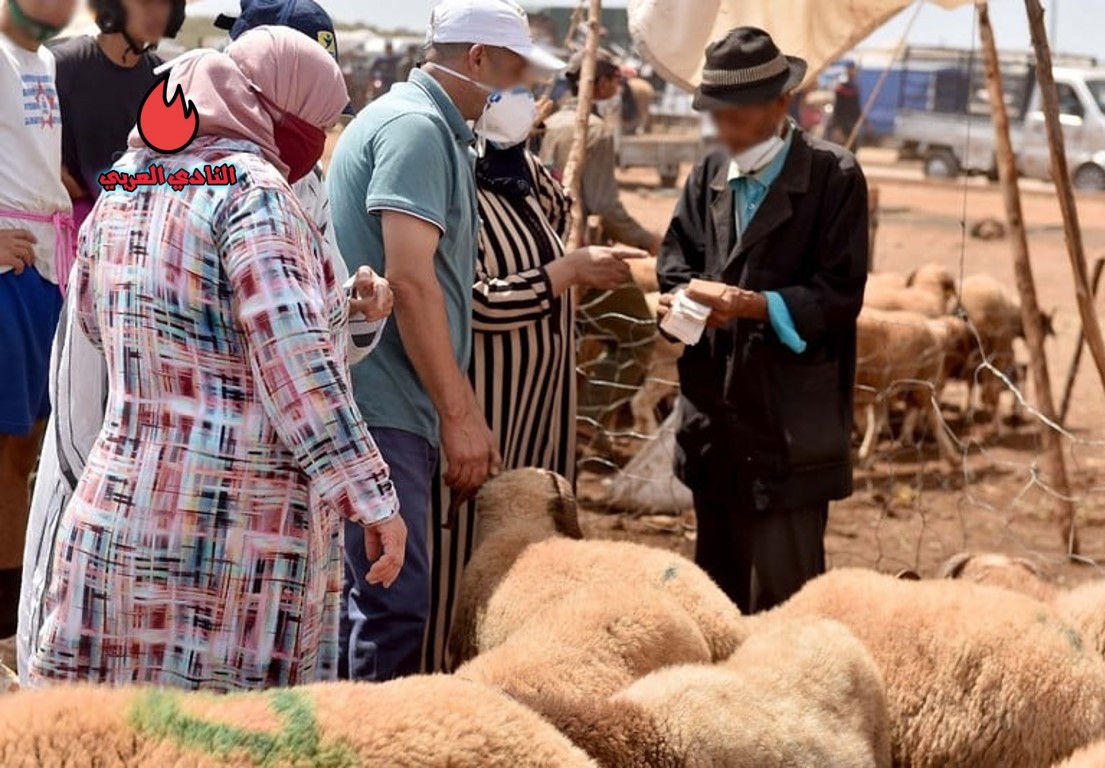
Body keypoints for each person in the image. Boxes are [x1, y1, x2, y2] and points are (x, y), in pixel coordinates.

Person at [16, 0, 392, 682]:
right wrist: (371, 497)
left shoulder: (128, 185)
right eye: (315, 120)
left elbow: (97, 327)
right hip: (233, 543)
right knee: (227, 742)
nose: (316, 140)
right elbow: (298, 369)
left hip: (121, 514)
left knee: (120, 739)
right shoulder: (255, 195)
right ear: (279, 111)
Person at [327, 0, 564, 681]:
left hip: (391, 400)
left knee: (373, 600)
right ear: (477, 59)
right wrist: (460, 415)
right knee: (391, 604)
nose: (523, 89)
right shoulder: (417, 130)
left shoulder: (431, 127)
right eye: (515, 71)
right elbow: (411, 279)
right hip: (383, 404)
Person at [656, 27, 868, 614]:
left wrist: (757, 305)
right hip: (716, 425)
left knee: (784, 606)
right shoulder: (709, 176)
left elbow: (839, 294)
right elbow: (675, 264)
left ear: (781, 104)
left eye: (737, 116)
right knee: (717, 606)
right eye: (716, 116)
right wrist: (676, 305)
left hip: (789, 432)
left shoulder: (834, 178)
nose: (725, 130)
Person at [424, 138, 645, 672]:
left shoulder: (522, 174)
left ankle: (504, 677)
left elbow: (559, 210)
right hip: (485, 406)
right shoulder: (450, 181)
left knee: (525, 550)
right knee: (459, 556)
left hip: (538, 406)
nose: (518, 96)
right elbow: (471, 301)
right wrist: (565, 274)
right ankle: (438, 678)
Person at [0, 0, 75, 641]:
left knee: (28, 449)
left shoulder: (44, 59)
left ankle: (17, 613)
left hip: (47, 266)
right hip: (9, 271)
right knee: (7, 450)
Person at [52, 0, 185, 225]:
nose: (157, 14)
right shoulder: (62, 65)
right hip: (74, 225)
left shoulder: (166, 79)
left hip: (139, 224)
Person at [539, 49, 659, 254]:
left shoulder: (547, 123)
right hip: (576, 247)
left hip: (544, 239)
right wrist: (647, 240)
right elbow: (604, 206)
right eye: (615, 80)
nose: (618, 87)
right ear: (602, 83)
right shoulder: (596, 130)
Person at [829, 60, 861, 149]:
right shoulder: (841, 86)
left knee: (853, 143)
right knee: (841, 143)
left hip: (852, 119)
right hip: (842, 119)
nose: (852, 71)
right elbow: (837, 106)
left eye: (853, 69)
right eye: (851, 69)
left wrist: (860, 118)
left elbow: (856, 105)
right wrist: (836, 124)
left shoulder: (855, 86)